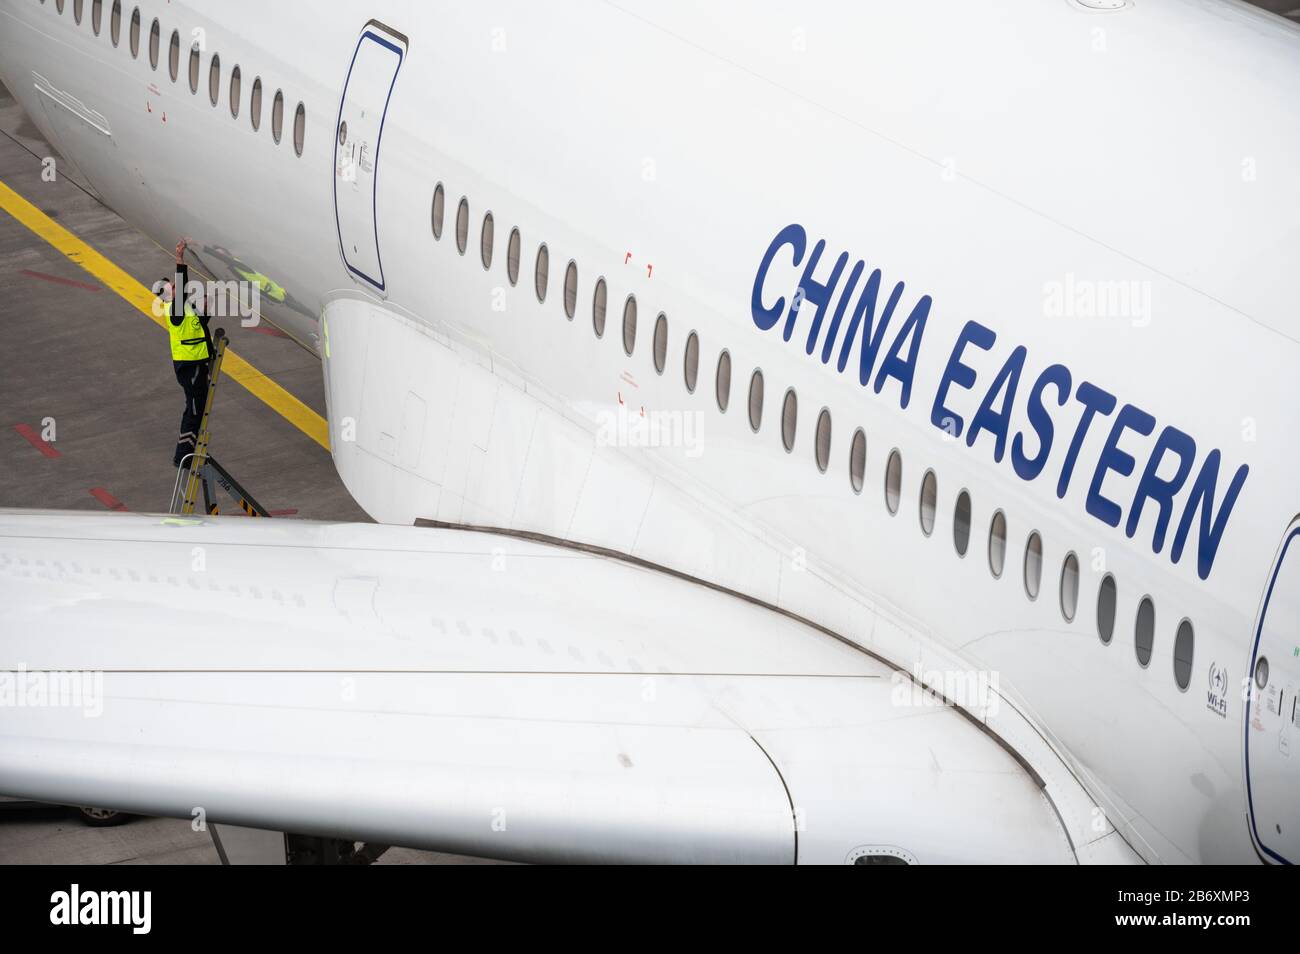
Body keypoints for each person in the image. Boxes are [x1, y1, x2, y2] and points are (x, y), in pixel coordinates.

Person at [162, 239, 214, 469]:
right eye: (172, 287)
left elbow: (198, 325)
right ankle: (183, 455)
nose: (175, 286)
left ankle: (189, 451)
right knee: (194, 408)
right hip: (189, 365)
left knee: (199, 407)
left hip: (197, 363)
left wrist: (207, 306)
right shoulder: (173, 309)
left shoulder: (182, 308)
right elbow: (183, 286)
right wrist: (180, 260)